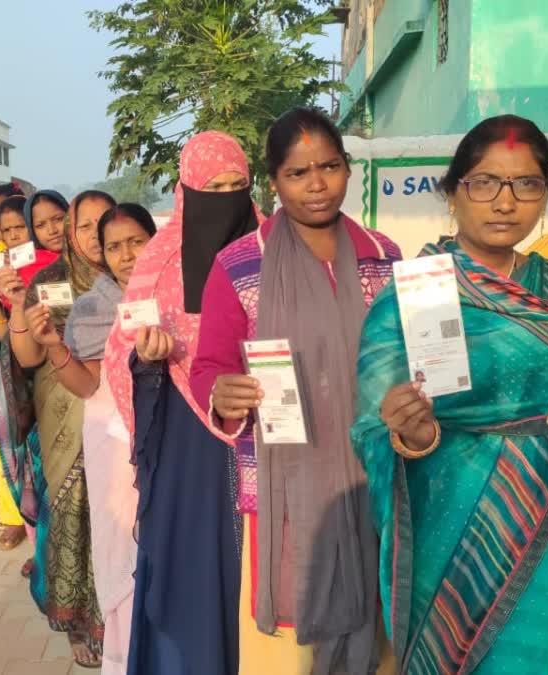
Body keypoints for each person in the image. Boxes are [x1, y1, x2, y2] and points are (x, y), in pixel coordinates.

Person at [352, 115, 548, 674]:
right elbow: (373, 420)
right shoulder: (419, 289)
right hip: (449, 505)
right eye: (484, 183)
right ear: (452, 192)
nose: (504, 202)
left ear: (545, 194)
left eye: (527, 184)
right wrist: (411, 433)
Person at [190, 108, 401, 673]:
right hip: (286, 485)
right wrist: (223, 392)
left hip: (375, 475)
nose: (316, 185)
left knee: (378, 626)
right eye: (297, 173)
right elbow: (208, 365)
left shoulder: (385, 259)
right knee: (288, 651)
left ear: (348, 169)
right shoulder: (238, 265)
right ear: (273, 181)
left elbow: (409, 357)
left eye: (329, 167)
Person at [102, 130, 259, 675]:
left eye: (238, 185)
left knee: (255, 574)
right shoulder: (159, 264)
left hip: (266, 428)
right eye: (213, 186)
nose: (228, 197)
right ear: (188, 193)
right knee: (193, 572)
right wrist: (150, 361)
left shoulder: (270, 250)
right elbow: (121, 358)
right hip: (186, 447)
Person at [22, 203, 156, 674]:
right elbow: (88, 384)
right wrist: (56, 347)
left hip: (168, 446)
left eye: (136, 242)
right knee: (122, 552)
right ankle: (125, 651)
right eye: (114, 245)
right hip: (114, 449)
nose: (125, 255)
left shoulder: (176, 292)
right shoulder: (93, 306)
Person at [8, 189, 116, 669]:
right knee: (74, 513)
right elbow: (28, 357)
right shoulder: (50, 280)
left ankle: (117, 617)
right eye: (85, 225)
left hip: (120, 415)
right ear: (71, 232)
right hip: (65, 413)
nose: (94, 235)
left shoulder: (136, 274)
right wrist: (16, 306)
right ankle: (78, 622)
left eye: (103, 223)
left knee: (116, 516)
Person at [0, 193, 58, 551]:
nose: (18, 235)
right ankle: (42, 551)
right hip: (31, 384)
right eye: (9, 230)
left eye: (22, 226)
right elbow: (8, 338)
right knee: (38, 473)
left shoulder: (67, 266)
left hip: (73, 383)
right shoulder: (10, 273)